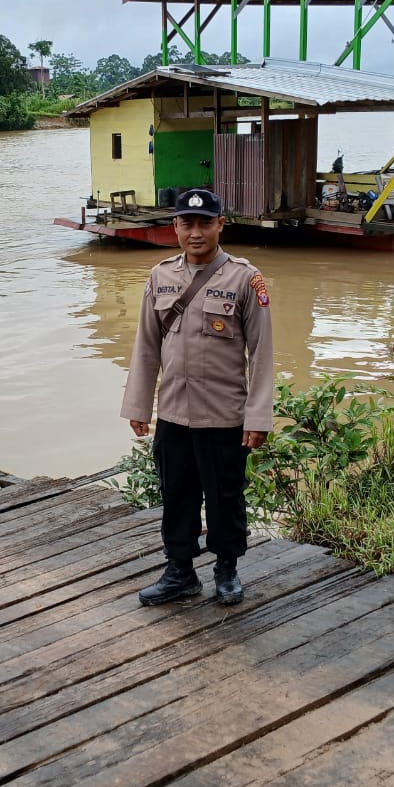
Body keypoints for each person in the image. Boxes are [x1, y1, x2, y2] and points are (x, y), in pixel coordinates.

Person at [121, 187, 274, 607]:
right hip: (173, 413)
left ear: (220, 224)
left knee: (225, 496)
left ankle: (227, 569)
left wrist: (258, 417)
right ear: (175, 226)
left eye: (205, 223)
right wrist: (139, 406)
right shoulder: (160, 276)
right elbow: (146, 345)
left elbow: (262, 354)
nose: (195, 232)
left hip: (224, 417)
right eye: (186, 223)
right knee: (177, 495)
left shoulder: (245, 278)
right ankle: (180, 572)